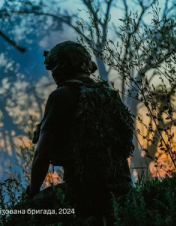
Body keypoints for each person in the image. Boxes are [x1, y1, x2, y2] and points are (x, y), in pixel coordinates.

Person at [26, 41, 134, 224]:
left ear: (62, 65)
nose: (52, 73)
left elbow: (41, 155)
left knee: (22, 215)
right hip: (122, 190)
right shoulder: (110, 94)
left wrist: (32, 193)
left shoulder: (61, 96)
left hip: (84, 193)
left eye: (53, 65)